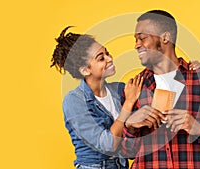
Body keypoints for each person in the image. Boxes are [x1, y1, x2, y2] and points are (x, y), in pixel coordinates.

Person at [121, 10, 200, 169]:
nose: (136, 45)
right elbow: (127, 153)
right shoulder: (135, 87)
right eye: (135, 40)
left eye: (142, 38)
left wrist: (198, 128)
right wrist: (129, 125)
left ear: (165, 37)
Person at [50, 26, 143, 169]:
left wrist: (187, 67)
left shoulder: (119, 90)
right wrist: (128, 103)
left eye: (108, 53)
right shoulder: (74, 101)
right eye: (101, 58)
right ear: (85, 70)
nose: (110, 59)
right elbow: (108, 145)